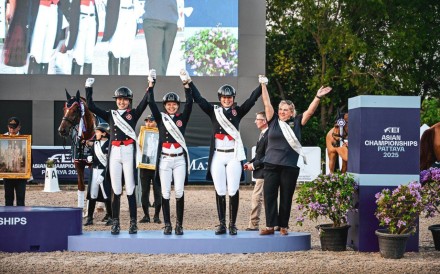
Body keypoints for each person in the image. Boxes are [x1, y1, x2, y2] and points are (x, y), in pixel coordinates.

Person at [187, 71, 262, 235]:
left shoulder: (238, 112)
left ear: (233, 98)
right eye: (224, 97)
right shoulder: (214, 111)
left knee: (233, 190)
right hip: (218, 156)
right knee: (220, 190)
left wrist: (261, 86)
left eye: (229, 98)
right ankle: (222, 224)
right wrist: (190, 83)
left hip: (233, 155)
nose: (227, 100)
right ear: (220, 98)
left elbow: (251, 100)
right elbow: (199, 100)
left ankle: (232, 224)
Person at [259, 75, 332, 236]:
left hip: (289, 166)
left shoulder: (297, 122)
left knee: (286, 197)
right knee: (269, 196)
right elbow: (266, 103)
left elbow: (310, 111)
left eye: (285, 110)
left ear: (292, 112)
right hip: (271, 164)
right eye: (280, 109)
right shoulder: (272, 120)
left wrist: (317, 97)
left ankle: (283, 226)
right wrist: (263, 85)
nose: (282, 112)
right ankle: (271, 226)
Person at [85, 69, 155, 235]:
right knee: (116, 189)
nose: (122, 102)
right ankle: (115, 222)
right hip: (115, 152)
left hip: (128, 151)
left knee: (130, 188)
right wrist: (88, 89)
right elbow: (91, 106)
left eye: (125, 100)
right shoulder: (111, 114)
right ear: (116, 101)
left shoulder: (134, 114)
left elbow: (146, 101)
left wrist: (151, 84)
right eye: (119, 100)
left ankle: (132, 223)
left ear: (129, 101)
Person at [148, 69, 193, 235]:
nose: (172, 106)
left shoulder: (182, 119)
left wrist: (185, 85)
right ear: (165, 106)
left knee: (179, 192)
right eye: (169, 104)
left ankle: (179, 225)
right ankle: (167, 224)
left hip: (180, 160)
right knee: (165, 192)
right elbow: (150, 102)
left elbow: (190, 103)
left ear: (177, 106)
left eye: (174, 104)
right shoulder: (161, 118)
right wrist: (151, 84)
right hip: (165, 160)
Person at [83, 123, 112, 226]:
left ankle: (111, 217)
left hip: (104, 172)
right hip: (94, 171)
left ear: (104, 133)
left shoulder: (110, 144)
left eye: (97, 132)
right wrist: (90, 157)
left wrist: (103, 174)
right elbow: (92, 153)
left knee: (106, 195)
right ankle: (90, 217)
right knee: (92, 194)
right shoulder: (95, 143)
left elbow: (110, 162)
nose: (95, 134)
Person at [244, 111, 268, 231]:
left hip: (264, 172)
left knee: (257, 198)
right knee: (262, 198)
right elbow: (260, 155)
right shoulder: (263, 134)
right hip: (261, 171)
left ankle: (253, 224)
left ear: (264, 121)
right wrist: (251, 162)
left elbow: (267, 156)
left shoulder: (268, 135)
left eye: (257, 119)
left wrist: (254, 165)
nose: (255, 121)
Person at [142, 0, 178, 75]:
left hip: (171, 20)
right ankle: (156, 86)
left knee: (163, 69)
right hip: (153, 20)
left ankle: (160, 86)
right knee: (156, 69)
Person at [101, 0, 137, 75]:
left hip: (131, 12)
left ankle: (124, 81)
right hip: (118, 12)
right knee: (115, 49)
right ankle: (113, 81)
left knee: (127, 50)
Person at [138, 114, 162, 224]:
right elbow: (138, 148)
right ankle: (146, 215)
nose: (148, 123)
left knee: (157, 191)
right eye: (147, 121)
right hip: (145, 166)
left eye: (151, 121)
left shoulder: (160, 133)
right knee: (144, 192)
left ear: (156, 122)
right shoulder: (142, 133)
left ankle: (156, 215)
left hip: (157, 167)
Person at [65, 0, 98, 75]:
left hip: (92, 17)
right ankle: (74, 83)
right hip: (81, 16)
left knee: (89, 56)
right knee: (78, 55)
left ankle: (87, 83)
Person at [3, 117, 27, 206]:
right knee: (8, 198)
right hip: (7, 173)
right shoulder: (3, 139)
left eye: (14, 127)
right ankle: (9, 217)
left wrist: (28, 172)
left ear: (19, 127)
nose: (12, 129)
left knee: (21, 199)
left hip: (21, 174)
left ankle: (21, 217)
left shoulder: (25, 140)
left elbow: (28, 156)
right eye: (10, 127)